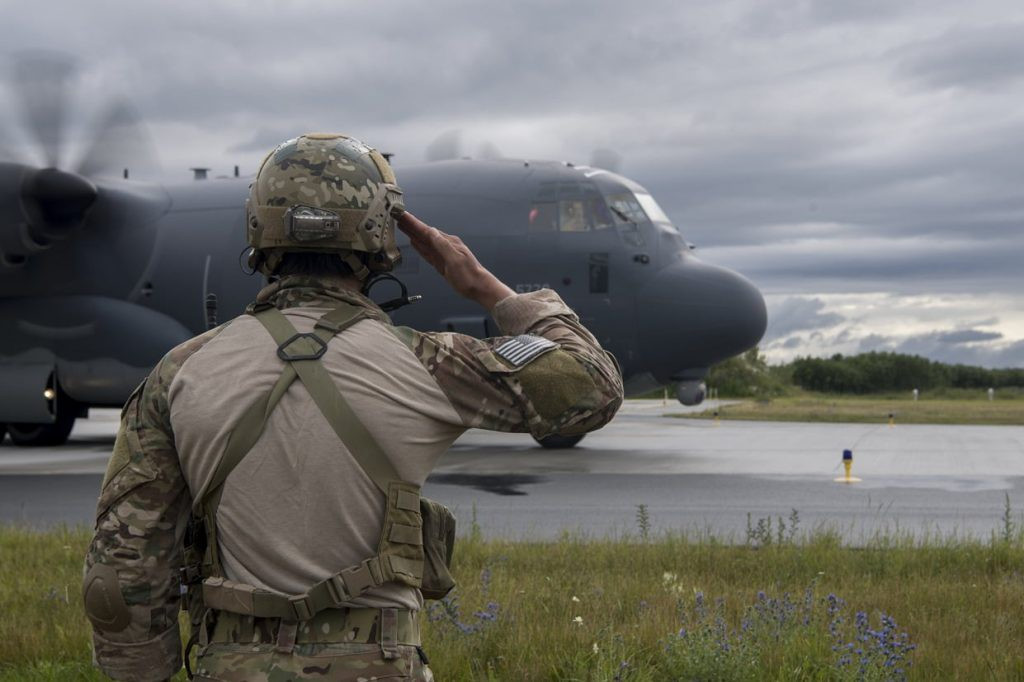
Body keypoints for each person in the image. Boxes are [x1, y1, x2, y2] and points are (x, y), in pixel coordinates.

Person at [82, 133, 623, 681]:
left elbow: (121, 568)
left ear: (257, 229)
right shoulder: (426, 364)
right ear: (384, 235)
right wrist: (487, 289)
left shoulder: (179, 373)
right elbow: (591, 387)